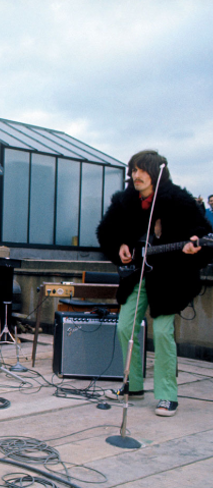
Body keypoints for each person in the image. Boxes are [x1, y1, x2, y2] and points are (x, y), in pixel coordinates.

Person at [97, 150, 212, 417]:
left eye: (141, 170)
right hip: (137, 275)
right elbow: (106, 231)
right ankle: (132, 386)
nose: (135, 176)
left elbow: (203, 233)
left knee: (162, 333)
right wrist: (120, 245)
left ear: (155, 172)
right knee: (125, 328)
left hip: (169, 279)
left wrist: (196, 247)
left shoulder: (179, 200)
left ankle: (167, 395)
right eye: (132, 171)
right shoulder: (124, 201)